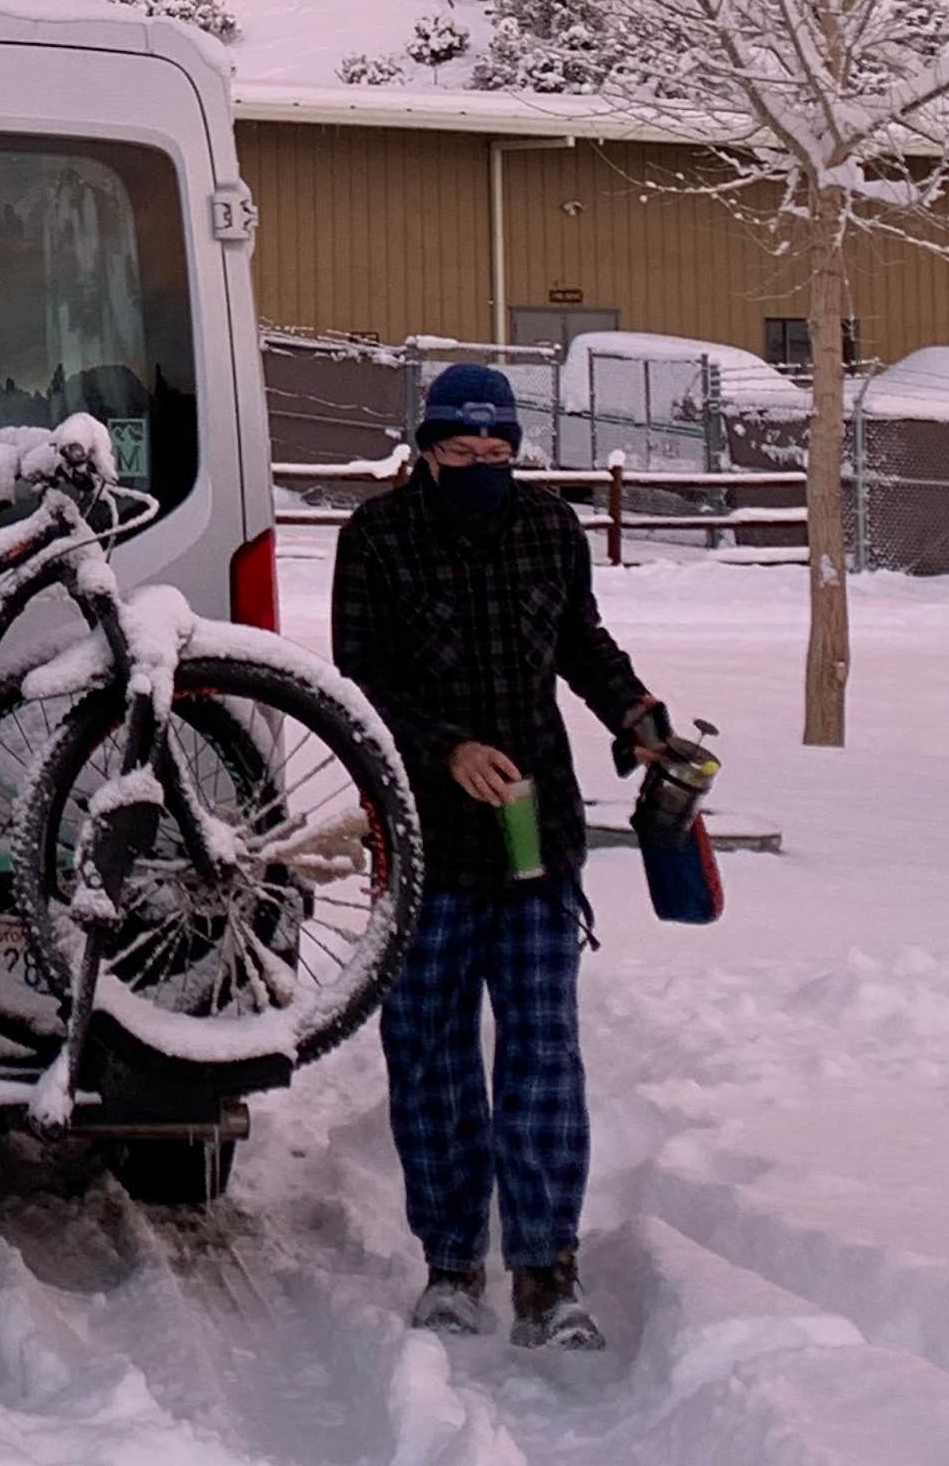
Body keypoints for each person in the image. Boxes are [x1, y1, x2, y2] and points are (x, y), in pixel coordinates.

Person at [331, 359, 699, 1350]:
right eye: (464, 449)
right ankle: (451, 1262)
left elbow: (581, 640)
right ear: (425, 450)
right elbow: (357, 683)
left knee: (541, 1056)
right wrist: (444, 748)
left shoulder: (548, 529)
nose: (485, 464)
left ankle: (545, 1269)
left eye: (501, 450)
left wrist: (636, 714)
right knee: (432, 1058)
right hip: (422, 839)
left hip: (536, 828)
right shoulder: (376, 539)